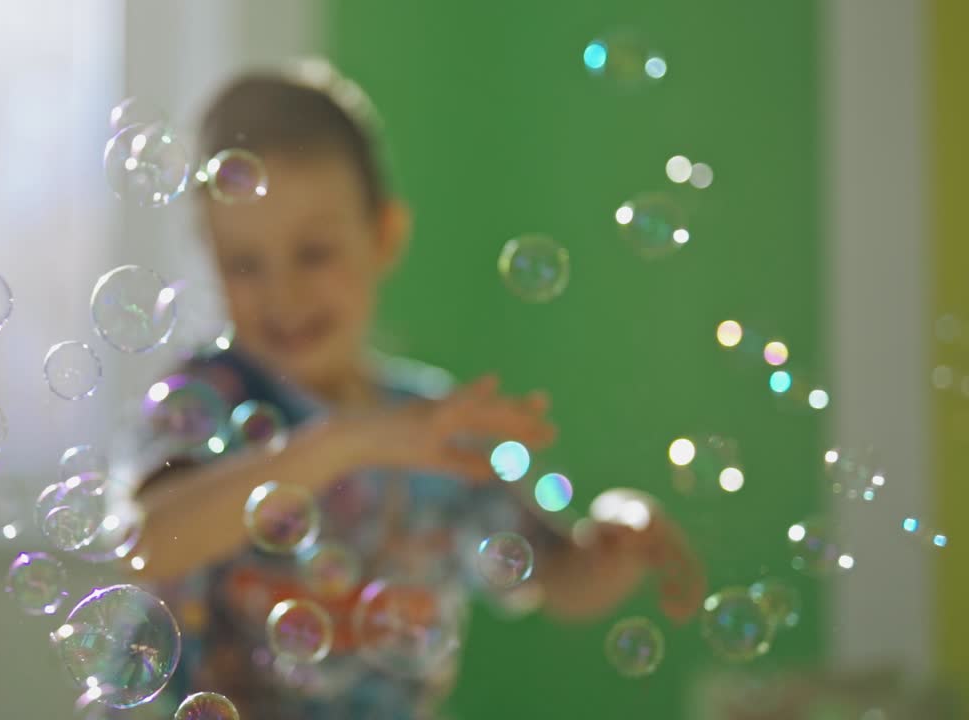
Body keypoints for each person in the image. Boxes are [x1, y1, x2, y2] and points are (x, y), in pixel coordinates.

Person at [130, 58, 705, 719]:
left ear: (384, 236)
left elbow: (556, 575)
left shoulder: (432, 429)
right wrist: (344, 443)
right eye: (243, 263)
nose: (281, 293)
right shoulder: (208, 395)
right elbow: (150, 541)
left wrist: (615, 541)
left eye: (313, 253)